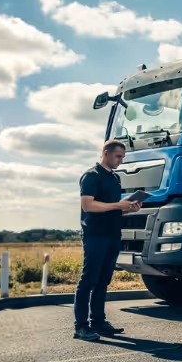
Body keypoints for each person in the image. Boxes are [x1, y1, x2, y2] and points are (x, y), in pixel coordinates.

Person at [74, 140, 140, 341]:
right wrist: (118, 205)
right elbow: (88, 206)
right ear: (106, 153)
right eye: (118, 156)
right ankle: (81, 327)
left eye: (123, 157)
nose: (121, 161)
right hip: (95, 235)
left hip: (113, 234)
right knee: (89, 280)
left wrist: (129, 208)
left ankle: (99, 322)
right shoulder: (91, 176)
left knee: (103, 281)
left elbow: (113, 206)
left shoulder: (115, 178)